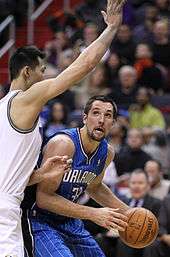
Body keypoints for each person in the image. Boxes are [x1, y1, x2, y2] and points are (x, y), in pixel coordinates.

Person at [0, 0, 126, 255]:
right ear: (26, 72)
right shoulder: (24, 100)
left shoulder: (3, 109)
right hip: (8, 211)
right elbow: (82, 67)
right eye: (42, 71)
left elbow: (7, 178)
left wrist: (40, 175)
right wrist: (111, 29)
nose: (46, 77)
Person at [29, 95, 130, 257]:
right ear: (85, 118)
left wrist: (129, 212)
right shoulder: (64, 144)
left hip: (69, 221)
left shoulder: (107, 153)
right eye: (96, 113)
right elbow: (44, 198)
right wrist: (93, 213)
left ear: (113, 123)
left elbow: (94, 187)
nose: (101, 120)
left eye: (108, 115)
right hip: (39, 220)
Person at [116, 169, 161, 257]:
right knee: (101, 239)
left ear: (148, 185)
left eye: (140, 183)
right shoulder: (121, 201)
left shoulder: (157, 203)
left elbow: (159, 227)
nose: (136, 186)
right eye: (133, 183)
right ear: (129, 185)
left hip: (145, 241)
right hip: (120, 238)